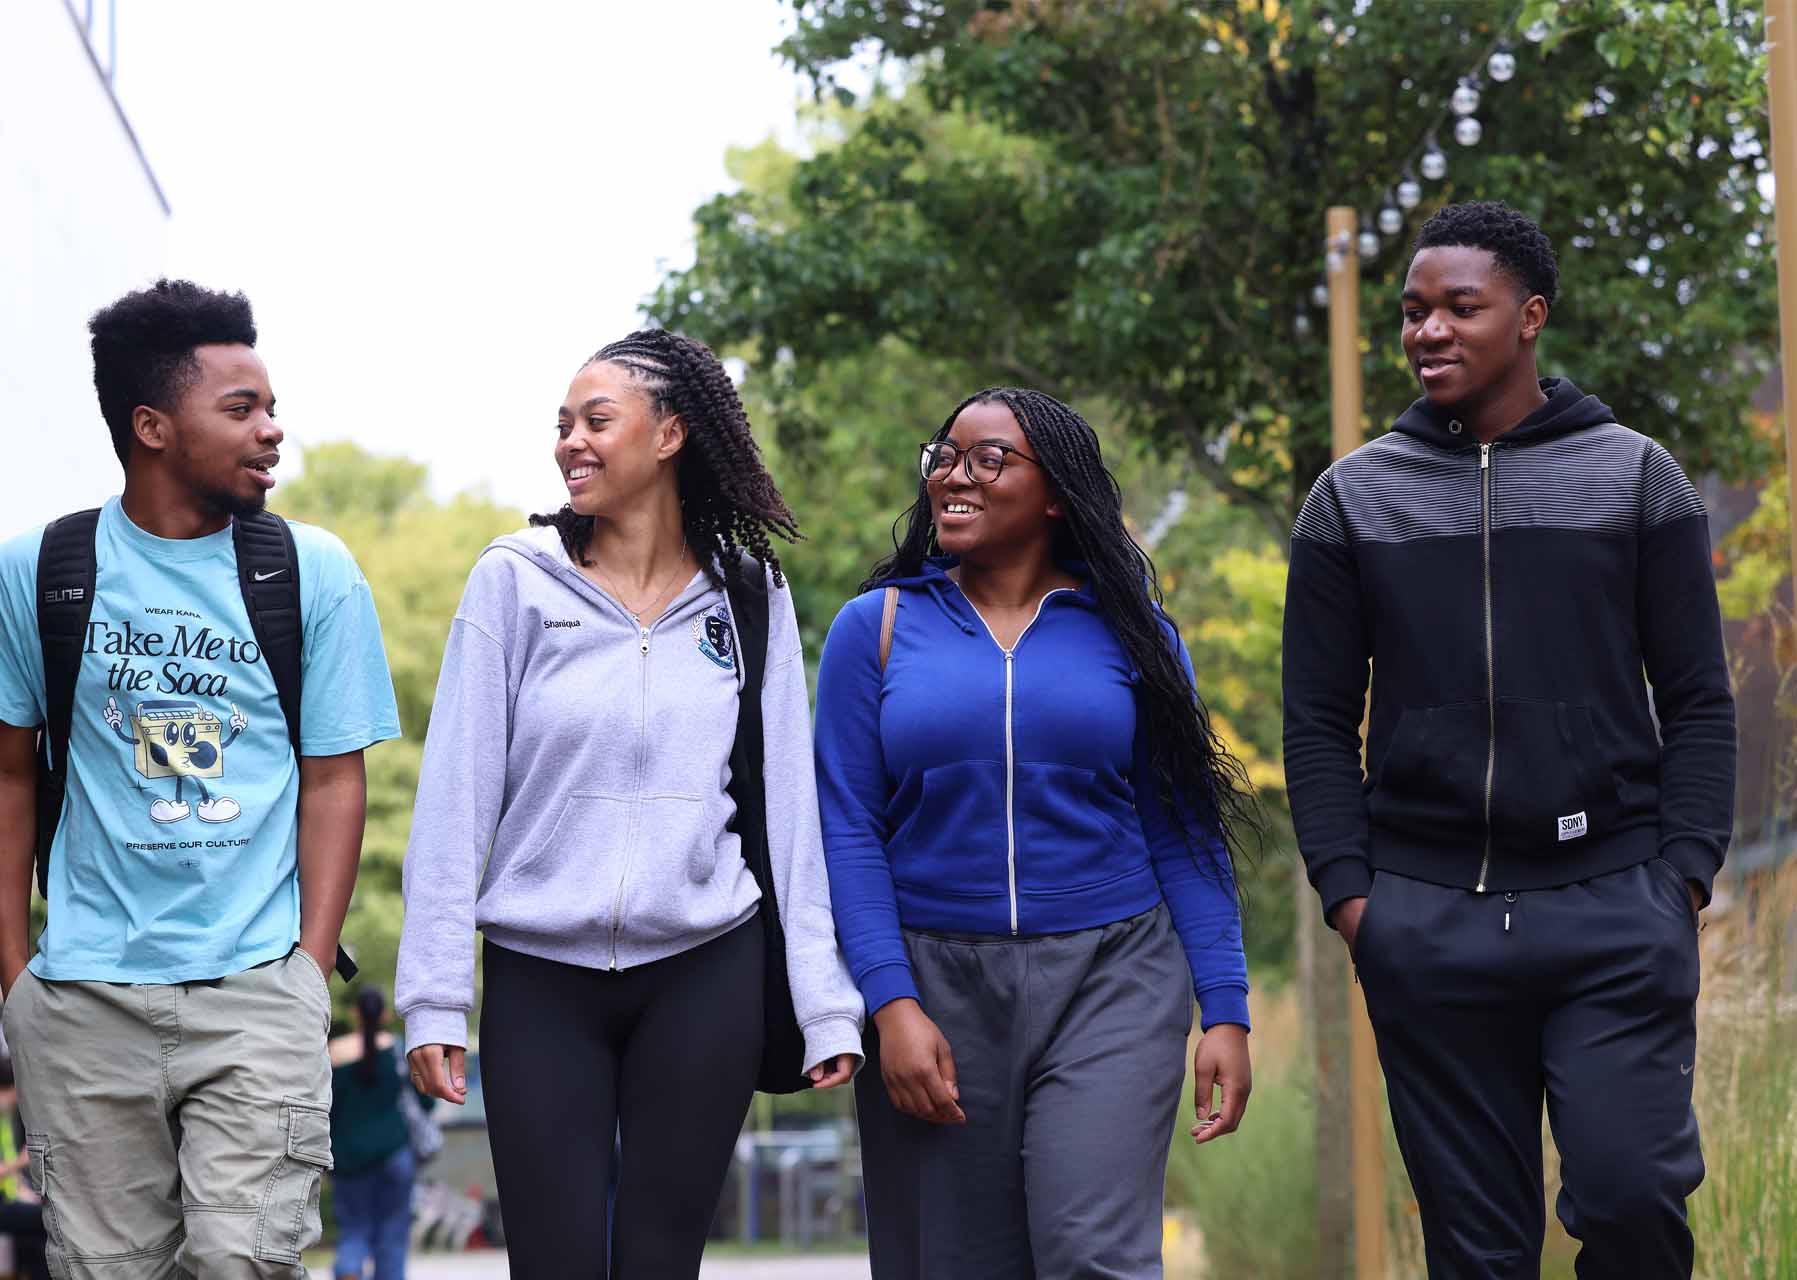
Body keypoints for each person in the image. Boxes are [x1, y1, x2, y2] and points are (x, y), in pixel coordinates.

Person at [1282, 201, 1735, 1279]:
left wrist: (1683, 874)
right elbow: (1314, 716)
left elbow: (1700, 698)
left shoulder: (1633, 476)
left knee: (1631, 1197)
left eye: (1459, 307)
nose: (1428, 330)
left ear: (1530, 316)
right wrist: (1355, 892)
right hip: (1426, 918)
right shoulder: (1353, 499)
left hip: (1616, 902)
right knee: (1477, 1251)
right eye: (1412, 311)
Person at [395, 329, 863, 1278]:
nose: (571, 441)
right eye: (561, 425)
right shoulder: (516, 581)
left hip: (706, 968)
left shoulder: (749, 596)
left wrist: (825, 1004)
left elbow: (789, 817)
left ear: (670, 435)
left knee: (662, 1263)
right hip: (540, 974)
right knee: (556, 1264)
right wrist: (435, 997)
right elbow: (454, 797)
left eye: (596, 421)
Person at [0, 279, 402, 1274]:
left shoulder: (311, 570)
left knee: (244, 1260)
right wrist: (17, 980)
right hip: (85, 1000)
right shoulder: (42, 571)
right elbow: (9, 778)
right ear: (153, 427)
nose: (273, 430)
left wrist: (308, 969)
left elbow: (334, 781)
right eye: (242, 408)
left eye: (270, 405)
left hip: (257, 988)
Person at [813, 387, 1257, 1279]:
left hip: (1113, 975)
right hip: (936, 980)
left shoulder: (1135, 636)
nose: (953, 475)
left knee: (1096, 1255)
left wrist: (1227, 1005)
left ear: (1054, 493)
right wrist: (890, 1002)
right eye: (943, 456)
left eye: (987, 459)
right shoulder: (879, 629)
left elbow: (1185, 829)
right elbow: (849, 830)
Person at [328, 986, 425, 1280]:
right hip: (395, 1156)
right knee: (392, 1233)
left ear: (355, 1012)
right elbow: (426, 1102)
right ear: (383, 1013)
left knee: (354, 1228)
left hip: (348, 1160)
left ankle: (349, 1268)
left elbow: (326, 1110)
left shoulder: (333, 1054)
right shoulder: (396, 1050)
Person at [0, 1056, 49, 1280]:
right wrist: (21, 1161)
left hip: (9, 1198)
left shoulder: (6, 1121)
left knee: (40, 1221)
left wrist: (24, 1190)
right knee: (45, 1221)